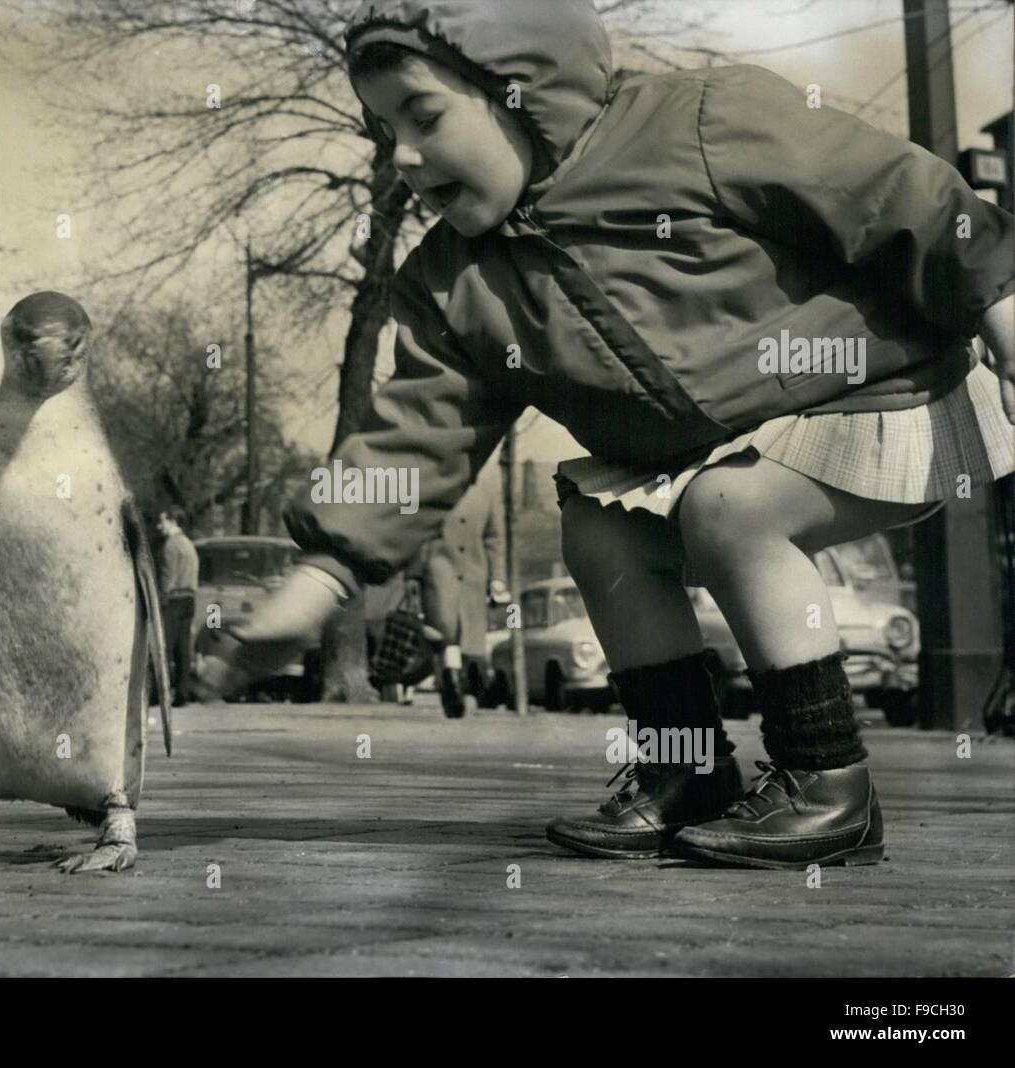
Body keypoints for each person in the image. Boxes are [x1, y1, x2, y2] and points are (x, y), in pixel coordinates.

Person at [198, 0, 1014, 870]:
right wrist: (323, 574)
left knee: (729, 508)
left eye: (425, 116)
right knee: (598, 524)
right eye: (383, 127)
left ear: (520, 90)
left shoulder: (700, 122)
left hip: (892, 393)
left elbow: (891, 192)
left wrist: (1000, 303)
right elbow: (414, 436)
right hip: (724, 449)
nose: (402, 156)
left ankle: (829, 783)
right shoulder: (452, 285)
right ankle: (685, 767)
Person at [417, 461, 508, 717]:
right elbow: (411, 526)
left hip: (473, 573)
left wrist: (497, 578)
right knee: (447, 631)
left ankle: (461, 682)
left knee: (468, 639)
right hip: (437, 566)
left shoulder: (489, 480)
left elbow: (494, 536)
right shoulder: (430, 470)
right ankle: (451, 683)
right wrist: (414, 573)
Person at [156, 506, 199, 706]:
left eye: (162, 521)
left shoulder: (171, 546)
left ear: (173, 522)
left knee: (164, 647)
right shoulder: (188, 544)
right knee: (183, 650)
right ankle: (183, 693)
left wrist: (160, 601)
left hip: (173, 600)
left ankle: (159, 694)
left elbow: (168, 577)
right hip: (189, 599)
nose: (159, 526)